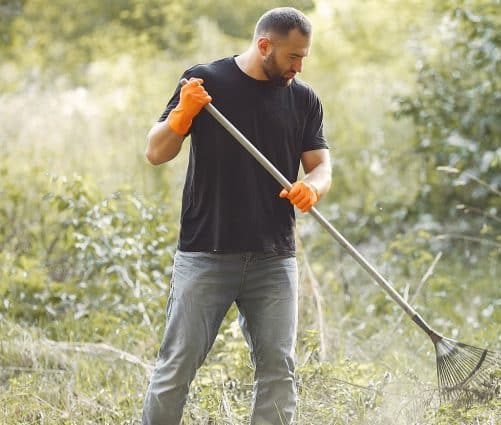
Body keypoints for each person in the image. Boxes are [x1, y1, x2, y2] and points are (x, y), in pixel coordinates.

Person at [141, 7, 331, 425]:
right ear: (265, 45)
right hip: (206, 254)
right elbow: (156, 152)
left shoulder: (303, 98)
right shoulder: (206, 80)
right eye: (292, 57)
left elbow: (321, 166)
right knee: (176, 369)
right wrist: (182, 113)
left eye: (304, 58)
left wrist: (312, 187)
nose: (298, 67)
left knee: (279, 373)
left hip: (274, 258)